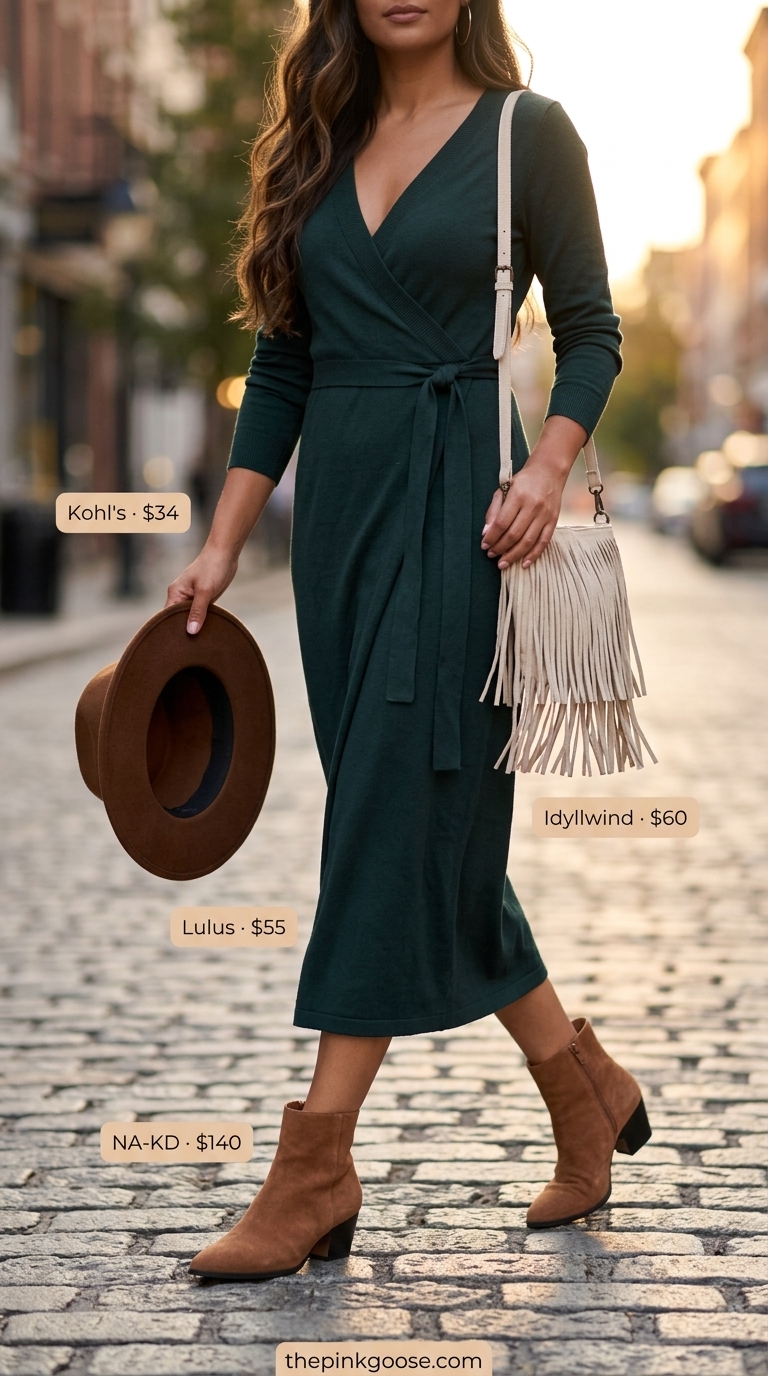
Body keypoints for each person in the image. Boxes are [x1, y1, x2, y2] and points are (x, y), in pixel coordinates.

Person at [166, 0, 651, 1281]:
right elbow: (281, 366)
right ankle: (584, 1084)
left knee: (386, 810)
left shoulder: (526, 135)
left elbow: (596, 331)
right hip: (340, 528)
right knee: (422, 813)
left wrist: (550, 469)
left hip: (469, 516)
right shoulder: (310, 145)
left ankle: (314, 1164)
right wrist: (221, 540)